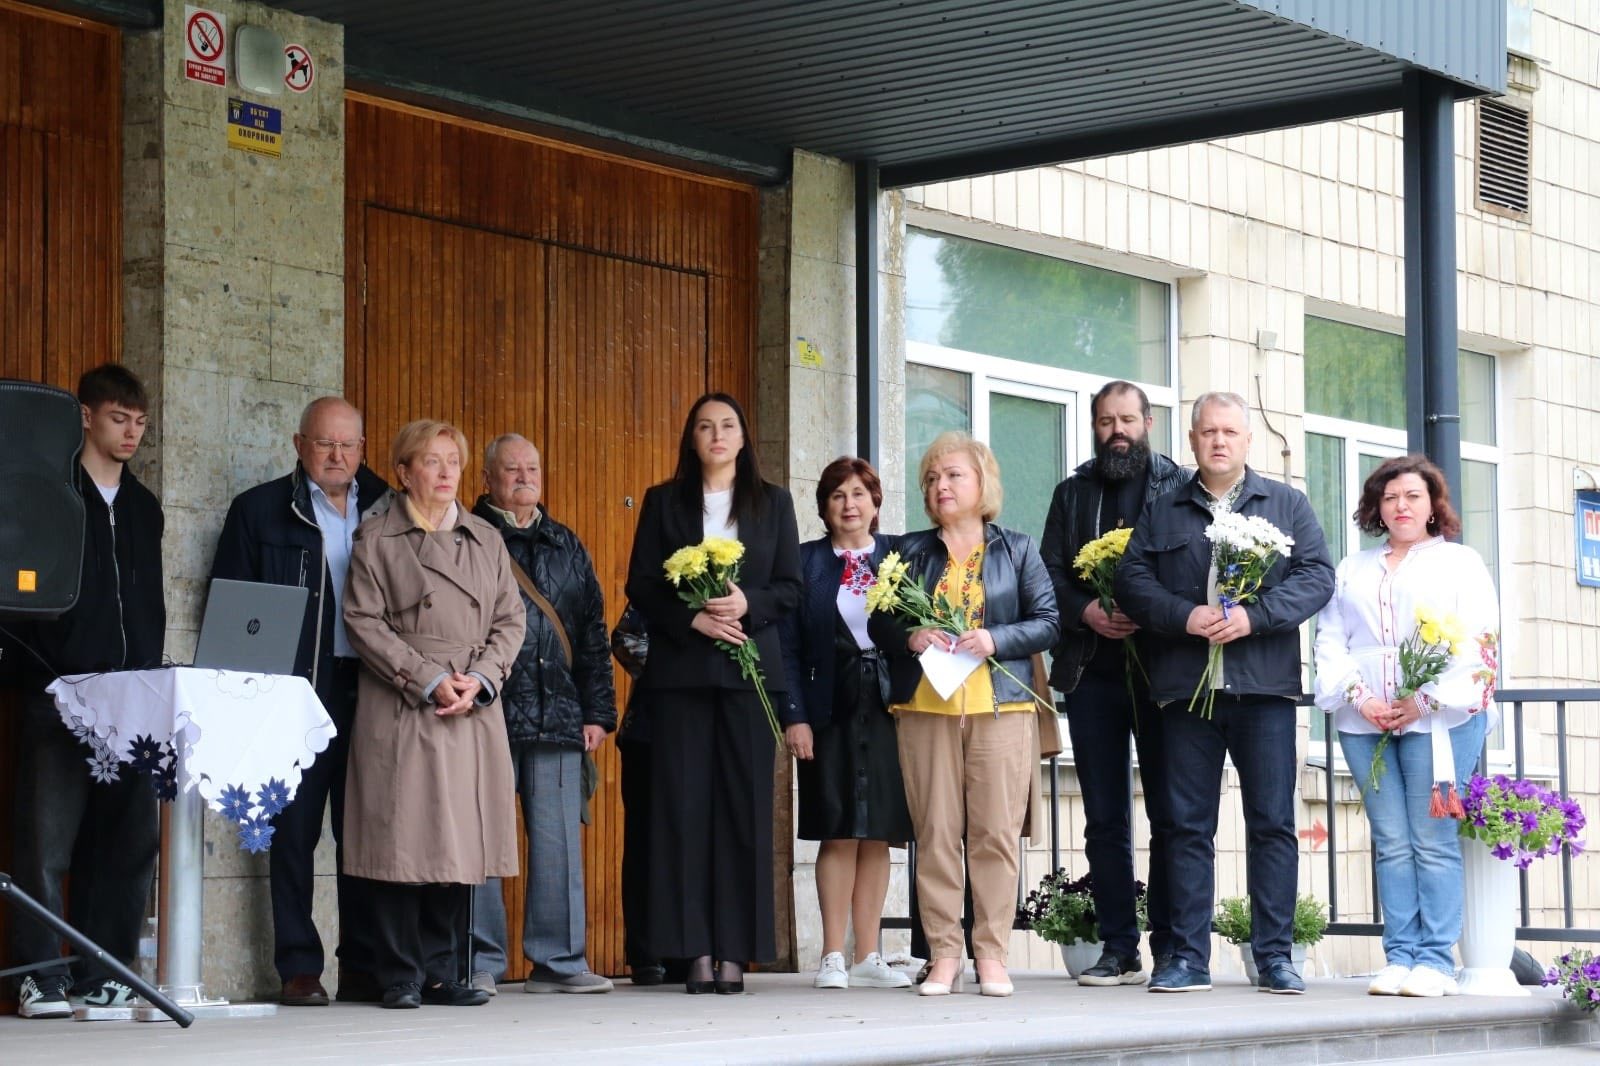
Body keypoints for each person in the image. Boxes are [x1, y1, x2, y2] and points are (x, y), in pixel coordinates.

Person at [1116, 392, 1333, 995]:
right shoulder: (1164, 508)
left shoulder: (1286, 504)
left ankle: (1275, 957)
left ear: (1247, 440)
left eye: (1230, 432)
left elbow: (1317, 576)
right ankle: (1187, 958)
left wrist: (1254, 617)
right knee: (1185, 826)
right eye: (1208, 431)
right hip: (1187, 692)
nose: (1218, 441)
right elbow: (1132, 580)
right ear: (1191, 440)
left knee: (1272, 824)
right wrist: (1184, 616)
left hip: (1263, 690)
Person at [341, 420, 525, 1009]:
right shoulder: (377, 537)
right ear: (403, 472)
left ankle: (443, 971)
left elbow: (510, 620)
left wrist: (484, 678)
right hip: (405, 701)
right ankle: (399, 974)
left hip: (469, 703)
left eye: (453, 461)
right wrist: (425, 679)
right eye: (431, 461)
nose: (446, 473)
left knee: (456, 843)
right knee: (401, 842)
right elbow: (363, 621)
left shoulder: (485, 538)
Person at [623, 392, 802, 995]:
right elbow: (642, 584)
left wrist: (749, 603)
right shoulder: (663, 501)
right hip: (681, 676)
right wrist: (691, 618)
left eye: (727, 425)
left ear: (744, 437)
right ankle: (693, 952)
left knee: (744, 811)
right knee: (684, 811)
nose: (717, 435)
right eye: (705, 426)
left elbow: (791, 588)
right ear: (692, 438)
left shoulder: (773, 503)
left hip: (750, 677)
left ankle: (735, 953)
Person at [211, 396, 387, 1005]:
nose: (337, 456)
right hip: (294, 693)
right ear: (298, 444)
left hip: (375, 688)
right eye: (323, 443)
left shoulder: (388, 506)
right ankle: (299, 967)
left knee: (366, 830)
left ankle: (363, 964)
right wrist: (247, 699)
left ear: (363, 449)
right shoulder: (259, 510)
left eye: (347, 444)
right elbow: (232, 607)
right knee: (293, 834)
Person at [870, 431, 1058, 998]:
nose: (940, 486)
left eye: (953, 475)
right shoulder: (908, 550)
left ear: (983, 483)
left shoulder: (1017, 548)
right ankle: (944, 955)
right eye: (931, 478)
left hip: (1001, 707)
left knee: (994, 834)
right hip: (926, 708)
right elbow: (879, 620)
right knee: (935, 834)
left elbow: (1048, 621)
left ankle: (992, 955)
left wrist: (995, 638)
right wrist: (910, 636)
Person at [1313, 455, 1498, 998]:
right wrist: (1362, 697)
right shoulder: (1352, 568)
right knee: (1392, 840)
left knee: (1432, 840)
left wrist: (1423, 699)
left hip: (1439, 720)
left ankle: (1436, 960)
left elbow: (1480, 639)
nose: (1401, 506)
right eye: (1390, 497)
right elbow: (1329, 640)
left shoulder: (1460, 563)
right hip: (1364, 718)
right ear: (1377, 506)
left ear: (1432, 505)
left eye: (1413, 496)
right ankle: (1399, 956)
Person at [11, 364, 164, 1018]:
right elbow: (21, 596)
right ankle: (39, 977)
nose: (130, 433)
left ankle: (106, 974)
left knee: (127, 841)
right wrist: (44, 668)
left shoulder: (144, 507)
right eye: (118, 419)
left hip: (130, 698)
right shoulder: (48, 495)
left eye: (139, 423)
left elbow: (148, 602)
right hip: (59, 692)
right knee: (44, 843)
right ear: (85, 417)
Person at [1039, 381, 1187, 987]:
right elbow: (1047, 574)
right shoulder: (1072, 492)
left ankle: (1173, 948)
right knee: (1103, 817)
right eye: (1106, 421)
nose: (1117, 431)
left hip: (1164, 673)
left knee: (1171, 814)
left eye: (1127, 419)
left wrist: (1151, 610)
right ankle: (1118, 947)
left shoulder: (1180, 487)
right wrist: (1087, 611)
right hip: (1091, 672)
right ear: (1095, 427)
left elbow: (1195, 570)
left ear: (1149, 422)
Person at [467, 433, 617, 995]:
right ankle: (479, 961)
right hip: (486, 713)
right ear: (487, 479)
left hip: (557, 712)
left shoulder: (566, 543)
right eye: (511, 470)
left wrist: (597, 711)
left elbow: (592, 632)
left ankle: (559, 961)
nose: (524, 477)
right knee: (481, 839)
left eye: (532, 468)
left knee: (558, 843)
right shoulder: (469, 537)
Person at [779, 457, 913, 991]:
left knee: (878, 829)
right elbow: (787, 647)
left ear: (876, 502)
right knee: (837, 825)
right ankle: (833, 954)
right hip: (827, 704)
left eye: (859, 493)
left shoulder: (899, 556)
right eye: (837, 495)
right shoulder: (805, 561)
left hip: (888, 705)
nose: (849, 504)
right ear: (824, 508)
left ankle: (869, 955)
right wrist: (796, 717)